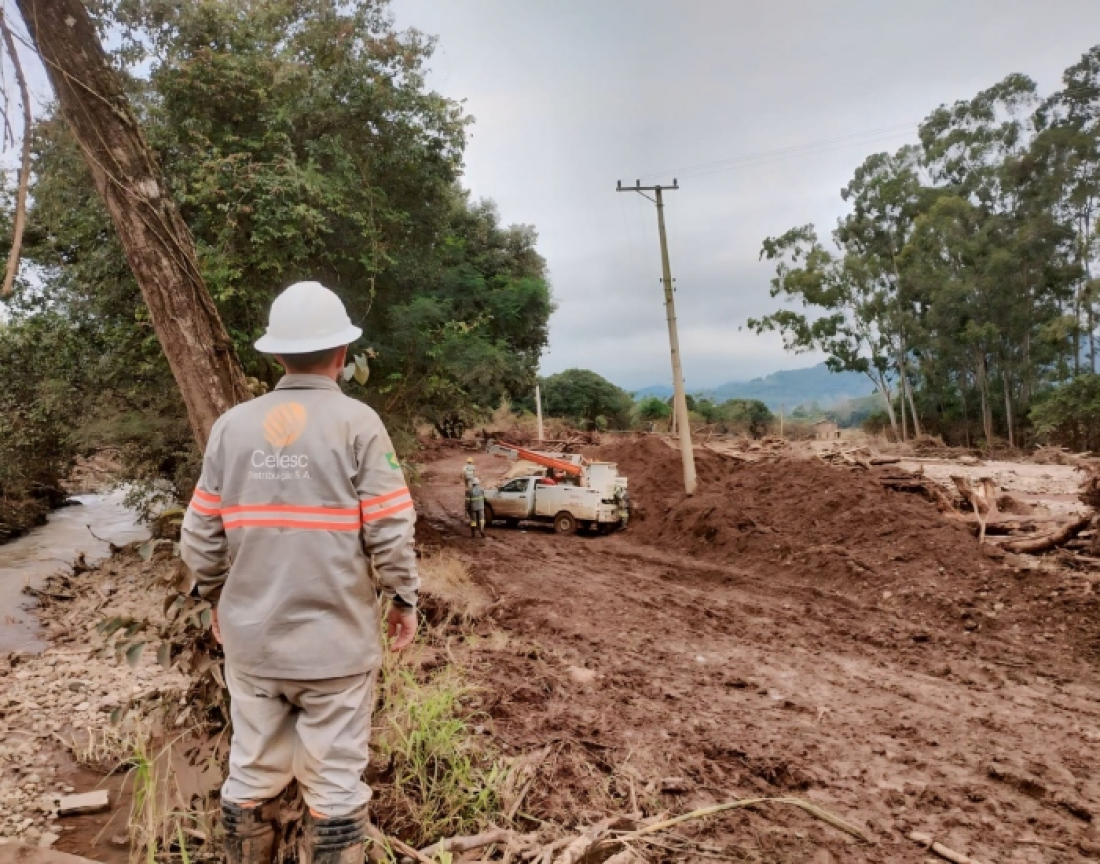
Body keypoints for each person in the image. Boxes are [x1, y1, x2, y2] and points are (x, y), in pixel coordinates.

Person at [180, 281, 419, 864]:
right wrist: (404, 599)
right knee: (335, 784)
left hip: (252, 646)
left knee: (251, 772)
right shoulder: (358, 424)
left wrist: (215, 599)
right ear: (342, 354)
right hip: (335, 649)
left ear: (277, 355)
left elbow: (198, 534)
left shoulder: (232, 427)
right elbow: (390, 530)